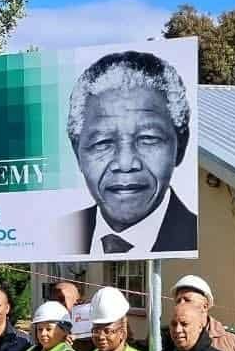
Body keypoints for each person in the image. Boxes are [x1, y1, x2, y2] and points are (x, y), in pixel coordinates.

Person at [58, 51, 196, 256]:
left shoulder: (193, 237)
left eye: (148, 139)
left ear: (181, 145)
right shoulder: (58, 235)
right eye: (103, 142)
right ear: (76, 152)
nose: (125, 163)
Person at [172, 275, 235, 351]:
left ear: (205, 306)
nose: (181, 304)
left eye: (187, 300)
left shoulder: (231, 340)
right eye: (178, 301)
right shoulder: (166, 337)